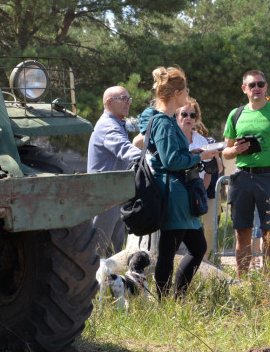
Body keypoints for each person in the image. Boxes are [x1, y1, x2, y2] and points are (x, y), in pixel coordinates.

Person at [136, 67, 218, 298]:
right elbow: (171, 161)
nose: (187, 94)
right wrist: (199, 156)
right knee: (169, 249)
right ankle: (165, 300)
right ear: (176, 93)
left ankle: (175, 297)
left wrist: (194, 153)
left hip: (178, 189)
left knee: (196, 247)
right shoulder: (163, 122)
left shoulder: (159, 117)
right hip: (174, 190)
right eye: (186, 90)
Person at [223, 69, 270, 275]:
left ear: (266, 87)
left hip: (268, 177)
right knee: (242, 231)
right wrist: (235, 150)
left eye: (261, 84)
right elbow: (226, 151)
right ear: (245, 89)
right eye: (252, 85)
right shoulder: (236, 114)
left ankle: (267, 282)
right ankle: (242, 281)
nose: (257, 88)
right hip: (242, 177)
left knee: (268, 234)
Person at [87, 85, 142, 255]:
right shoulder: (108, 126)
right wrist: (149, 160)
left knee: (114, 251)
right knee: (97, 251)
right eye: (123, 99)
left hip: (115, 195)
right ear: (109, 102)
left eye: (129, 99)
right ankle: (92, 282)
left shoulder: (118, 123)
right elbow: (124, 148)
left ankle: (110, 281)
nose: (128, 103)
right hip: (105, 197)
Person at [177, 97, 221, 258]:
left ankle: (204, 265)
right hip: (174, 197)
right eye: (184, 114)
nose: (188, 118)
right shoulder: (171, 137)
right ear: (176, 116)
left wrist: (199, 194)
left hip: (195, 196)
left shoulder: (201, 140)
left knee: (197, 244)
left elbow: (208, 172)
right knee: (174, 242)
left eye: (192, 115)